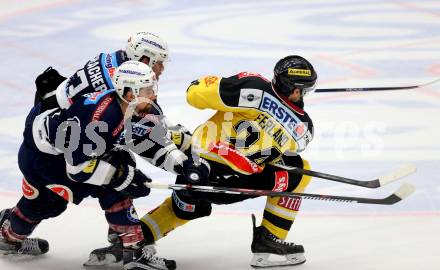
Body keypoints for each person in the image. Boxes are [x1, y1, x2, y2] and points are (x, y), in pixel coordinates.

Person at [0, 61, 208, 270]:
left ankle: (7, 237)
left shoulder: (138, 107)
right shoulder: (99, 118)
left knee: (118, 168)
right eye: (148, 90)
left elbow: (152, 142)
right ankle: (132, 251)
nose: (153, 95)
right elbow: (78, 169)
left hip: (69, 152)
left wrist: (182, 164)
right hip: (44, 159)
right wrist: (124, 176)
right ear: (129, 94)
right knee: (53, 202)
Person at [31, 31, 193, 267]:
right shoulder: (114, 90)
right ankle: (125, 241)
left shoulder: (118, 63)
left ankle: (124, 237)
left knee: (116, 170)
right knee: (115, 173)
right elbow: (137, 129)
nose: (161, 69)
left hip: (65, 128)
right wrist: (174, 144)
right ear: (144, 58)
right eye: (159, 63)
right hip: (60, 140)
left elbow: (144, 116)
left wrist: (172, 144)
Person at [137, 55, 317, 268]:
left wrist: (214, 86)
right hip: (232, 186)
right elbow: (292, 149)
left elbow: (194, 94)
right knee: (299, 170)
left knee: (188, 206)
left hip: (194, 169)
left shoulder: (254, 86)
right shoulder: (303, 128)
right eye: (304, 90)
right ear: (295, 91)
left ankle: (133, 239)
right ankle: (269, 240)